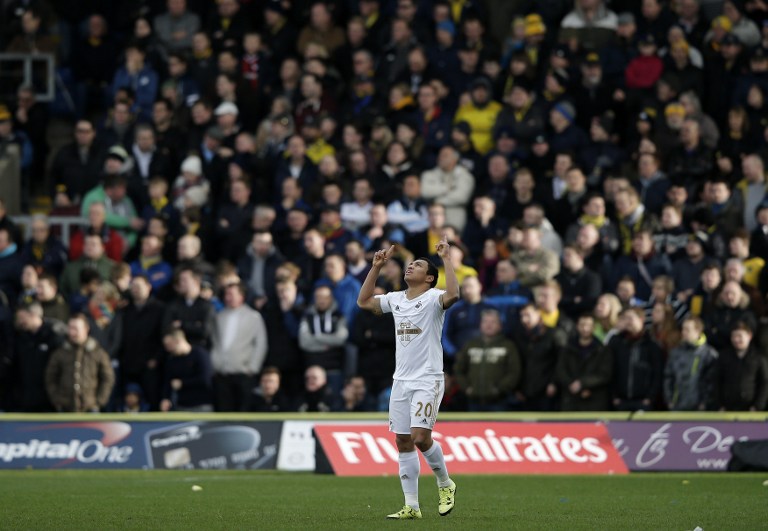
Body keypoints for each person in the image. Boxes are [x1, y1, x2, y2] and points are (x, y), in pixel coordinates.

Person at [357, 236, 458, 519]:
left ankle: (445, 483)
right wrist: (376, 267)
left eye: (418, 265)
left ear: (429, 278)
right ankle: (411, 506)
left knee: (420, 438)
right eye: (410, 264)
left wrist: (446, 259)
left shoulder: (434, 299)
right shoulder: (396, 299)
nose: (410, 266)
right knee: (403, 441)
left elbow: (454, 295)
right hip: (401, 380)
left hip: (427, 378)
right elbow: (363, 302)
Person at [210, 281, 268, 411]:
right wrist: (215, 363)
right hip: (222, 374)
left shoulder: (253, 316)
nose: (228, 297)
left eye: (231, 294)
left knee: (243, 410)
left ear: (241, 296)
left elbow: (260, 343)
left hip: (243, 373)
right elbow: (215, 341)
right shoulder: (219, 316)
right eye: (226, 294)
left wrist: (253, 368)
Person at [453, 308, 521, 411]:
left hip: (500, 402)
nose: (489, 325)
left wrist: (499, 390)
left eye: (493, 322)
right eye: (485, 321)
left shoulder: (508, 346)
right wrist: (467, 388)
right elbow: (458, 369)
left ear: (500, 325)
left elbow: (514, 372)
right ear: (480, 325)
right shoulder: (470, 345)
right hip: (473, 402)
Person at [44, 314, 115, 413]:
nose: (72, 332)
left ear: (86, 329)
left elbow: (108, 378)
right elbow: (50, 378)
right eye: (70, 328)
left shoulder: (98, 353)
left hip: (90, 409)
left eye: (76, 328)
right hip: (64, 409)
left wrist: (98, 402)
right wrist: (57, 400)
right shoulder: (60, 353)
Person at [663, 316, 718, 411]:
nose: (683, 332)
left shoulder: (709, 354)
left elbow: (712, 382)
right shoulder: (675, 353)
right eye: (683, 329)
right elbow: (668, 377)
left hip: (700, 409)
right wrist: (670, 400)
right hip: (677, 407)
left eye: (687, 330)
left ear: (697, 331)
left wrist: (705, 403)